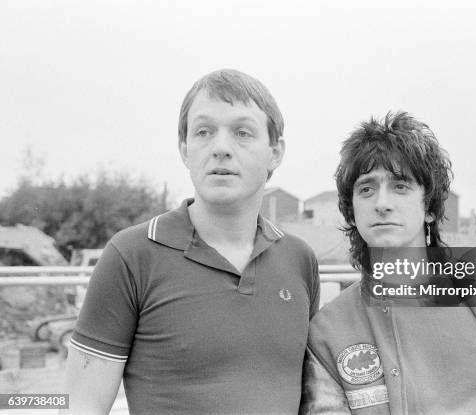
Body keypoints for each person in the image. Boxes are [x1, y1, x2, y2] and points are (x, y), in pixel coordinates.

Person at [63, 69, 320, 414]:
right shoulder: (131, 256)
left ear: (275, 152)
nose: (221, 148)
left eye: (242, 133)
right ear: (185, 149)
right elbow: (81, 407)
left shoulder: (299, 260)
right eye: (204, 132)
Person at [299, 112, 476, 414]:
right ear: (352, 210)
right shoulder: (328, 331)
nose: (381, 203)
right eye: (366, 188)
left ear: (429, 208)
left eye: (400, 186)